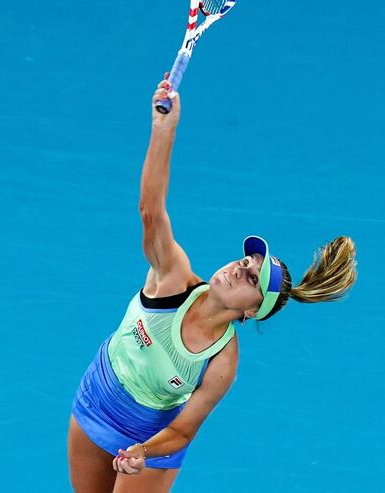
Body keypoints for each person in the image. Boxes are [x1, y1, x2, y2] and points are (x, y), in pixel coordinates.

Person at [67, 74, 357, 493]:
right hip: (98, 397)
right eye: (246, 259)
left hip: (154, 438)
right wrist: (163, 129)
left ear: (252, 310)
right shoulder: (173, 279)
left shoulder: (222, 363)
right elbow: (151, 211)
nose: (240, 267)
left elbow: (183, 431)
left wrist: (143, 452)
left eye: (252, 278)